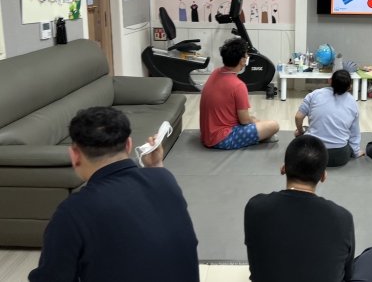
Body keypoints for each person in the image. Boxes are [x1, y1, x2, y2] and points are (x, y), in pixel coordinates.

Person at [29, 107, 200, 282]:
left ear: (75, 156)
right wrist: (156, 168)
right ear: (129, 145)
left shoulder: (73, 211)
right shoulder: (164, 178)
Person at [244, 135, 372, 282]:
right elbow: (347, 273)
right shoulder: (342, 217)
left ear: (283, 169)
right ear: (323, 176)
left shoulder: (255, 207)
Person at [200, 38, 279, 149]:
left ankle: (259, 135)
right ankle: (259, 137)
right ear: (242, 61)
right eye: (246, 55)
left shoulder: (215, 72)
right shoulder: (238, 85)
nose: (248, 57)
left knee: (253, 119)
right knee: (273, 125)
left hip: (207, 134)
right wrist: (254, 121)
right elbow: (245, 120)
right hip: (222, 139)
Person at [294, 69, 364, 167]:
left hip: (312, 154)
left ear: (330, 80)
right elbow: (354, 133)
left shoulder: (315, 94)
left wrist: (300, 131)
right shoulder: (353, 102)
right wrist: (356, 152)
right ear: (349, 87)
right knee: (346, 138)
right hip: (339, 157)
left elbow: (298, 117)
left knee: (306, 129)